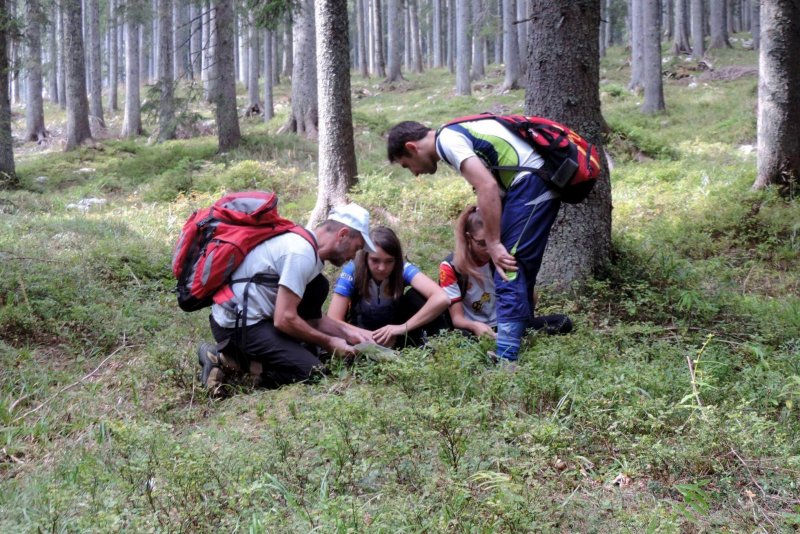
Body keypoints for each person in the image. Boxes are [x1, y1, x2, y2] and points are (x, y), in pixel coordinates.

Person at [388, 118, 562, 361]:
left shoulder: (447, 140)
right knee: (517, 269)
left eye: (408, 166)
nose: (416, 173)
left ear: (411, 147)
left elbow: (487, 187)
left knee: (506, 270)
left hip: (531, 183)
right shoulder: (451, 137)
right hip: (529, 183)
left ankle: (506, 358)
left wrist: (492, 243)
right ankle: (515, 341)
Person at [197, 203, 377, 396]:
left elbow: (314, 320)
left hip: (256, 320)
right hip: (238, 326)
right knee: (312, 372)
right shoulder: (301, 253)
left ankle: (253, 360)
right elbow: (284, 319)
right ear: (342, 235)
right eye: (356, 248)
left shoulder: (304, 244)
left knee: (319, 287)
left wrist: (350, 334)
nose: (353, 257)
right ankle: (225, 361)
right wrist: (329, 342)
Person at [440, 204, 573, 340]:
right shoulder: (450, 266)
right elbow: (457, 319)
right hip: (473, 329)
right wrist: (475, 326)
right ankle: (511, 340)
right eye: (482, 243)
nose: (489, 249)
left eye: (492, 241)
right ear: (468, 238)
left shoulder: (502, 255)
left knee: (563, 322)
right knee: (459, 337)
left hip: (506, 322)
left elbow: (529, 296)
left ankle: (509, 339)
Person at [327, 226, 450, 348]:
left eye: (389, 261)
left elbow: (442, 298)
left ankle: (439, 346)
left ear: (396, 260)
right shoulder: (352, 270)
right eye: (375, 260)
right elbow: (333, 318)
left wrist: (403, 327)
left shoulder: (402, 268)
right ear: (366, 258)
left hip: (396, 331)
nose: (382, 268)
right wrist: (369, 337)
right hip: (360, 332)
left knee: (416, 296)